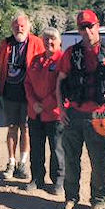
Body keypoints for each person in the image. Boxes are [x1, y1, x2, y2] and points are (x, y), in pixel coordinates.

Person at [56, 9, 105, 209]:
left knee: (98, 162)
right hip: (74, 114)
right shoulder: (71, 52)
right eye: (82, 27)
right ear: (78, 29)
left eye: (90, 26)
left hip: (99, 116)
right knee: (71, 160)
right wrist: (61, 109)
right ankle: (71, 198)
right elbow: (59, 82)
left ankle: (98, 201)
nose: (87, 31)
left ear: (98, 26)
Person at [0, 11, 45, 179]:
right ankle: (11, 161)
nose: (19, 28)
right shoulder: (6, 44)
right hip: (10, 92)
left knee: (26, 128)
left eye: (22, 26)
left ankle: (23, 163)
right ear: (12, 28)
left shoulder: (37, 43)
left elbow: (43, 67)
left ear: (29, 26)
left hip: (29, 93)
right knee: (11, 127)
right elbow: (0, 69)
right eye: (16, 26)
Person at [23, 27, 65, 194]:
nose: (49, 42)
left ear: (59, 42)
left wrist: (46, 104)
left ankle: (58, 181)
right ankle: (37, 178)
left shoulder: (63, 60)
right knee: (36, 146)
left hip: (54, 113)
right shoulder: (36, 60)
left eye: (52, 39)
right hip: (35, 112)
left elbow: (63, 87)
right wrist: (33, 102)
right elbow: (27, 83)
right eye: (46, 39)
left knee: (57, 148)